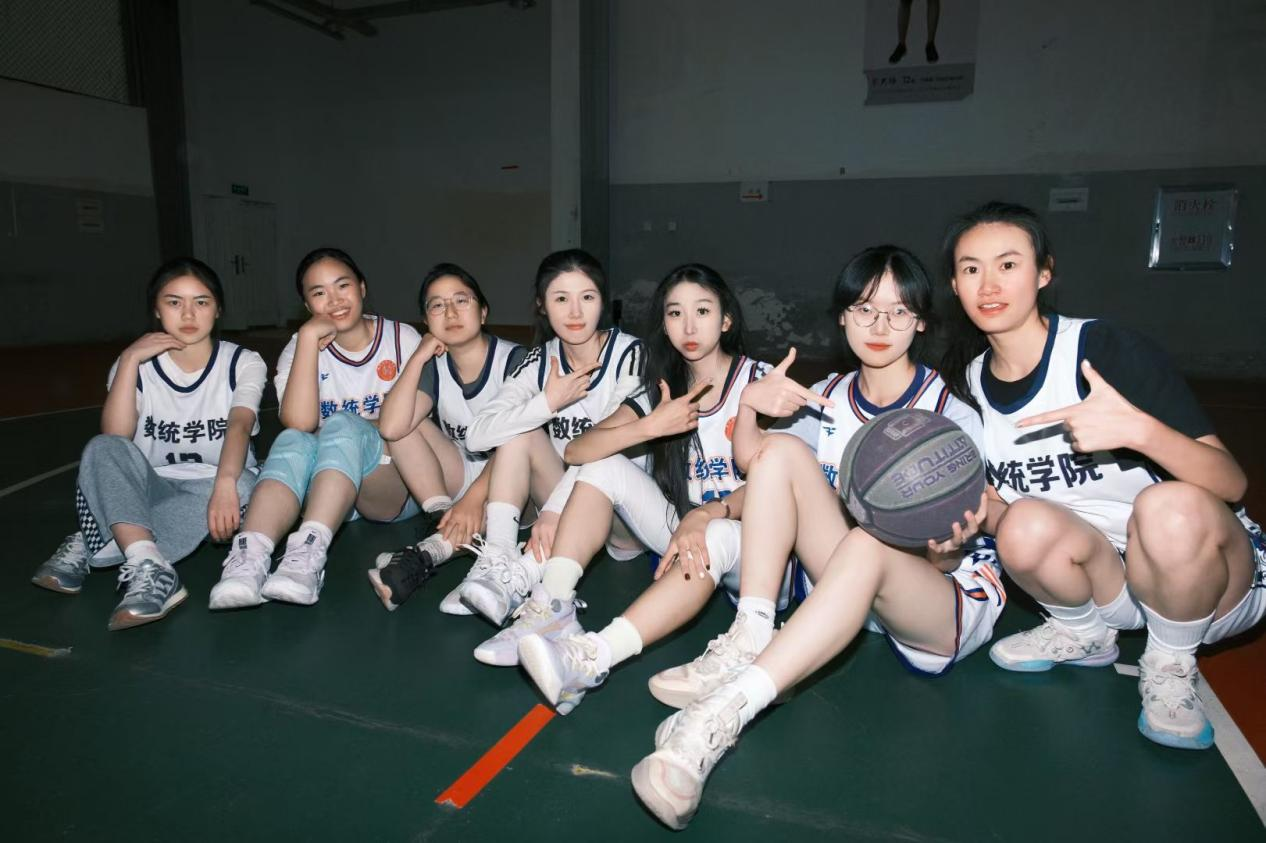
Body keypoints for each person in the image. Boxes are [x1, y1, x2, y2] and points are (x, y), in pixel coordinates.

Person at [630, 245, 1001, 830]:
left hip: (938, 598)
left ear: (921, 322)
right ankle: (753, 631)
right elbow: (758, 464)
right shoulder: (826, 395)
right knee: (782, 450)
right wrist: (749, 408)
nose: (879, 325)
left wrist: (945, 547)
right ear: (843, 317)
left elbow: (951, 559)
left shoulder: (950, 418)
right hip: (848, 586)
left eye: (898, 312)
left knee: (869, 543)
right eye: (864, 309)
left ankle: (718, 718)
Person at [946, 201, 1264, 750]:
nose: (989, 284)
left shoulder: (1103, 351)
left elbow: (1230, 484)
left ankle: (1169, 662)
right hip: (1104, 583)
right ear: (954, 285)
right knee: (1020, 522)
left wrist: (1141, 431)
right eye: (971, 268)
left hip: (1203, 579)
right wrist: (972, 516)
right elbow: (1001, 512)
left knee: (1169, 504)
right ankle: (1084, 634)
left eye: (1008, 264)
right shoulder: (969, 383)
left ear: (1044, 274)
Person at [510, 263, 775, 713]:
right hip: (686, 533)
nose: (688, 326)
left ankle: (594, 657)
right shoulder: (661, 389)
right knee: (603, 463)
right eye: (675, 313)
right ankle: (553, 609)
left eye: (702, 311)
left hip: (759, 549)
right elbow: (577, 450)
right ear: (664, 325)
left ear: (726, 319)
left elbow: (783, 483)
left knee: (716, 531)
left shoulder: (761, 383)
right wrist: (649, 426)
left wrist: (708, 512)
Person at [32, 258, 264, 629]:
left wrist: (224, 483)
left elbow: (240, 424)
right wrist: (129, 360)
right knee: (101, 447)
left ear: (218, 309)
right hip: (148, 486)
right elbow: (116, 437)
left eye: (201, 302)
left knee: (246, 485)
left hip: (216, 482)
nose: (188, 313)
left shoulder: (242, 362)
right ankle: (149, 564)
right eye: (174, 302)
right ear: (156, 310)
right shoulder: (135, 364)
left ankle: (99, 538)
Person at [452, 249, 645, 666]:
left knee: (600, 451)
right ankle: (499, 565)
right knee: (518, 431)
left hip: (623, 518)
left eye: (587, 297)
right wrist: (547, 403)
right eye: (561, 299)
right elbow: (478, 434)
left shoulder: (631, 354)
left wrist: (556, 509)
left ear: (603, 301)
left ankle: (526, 581)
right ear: (542, 305)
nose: (575, 312)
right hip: (561, 505)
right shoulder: (541, 361)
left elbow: (602, 448)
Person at [208, 247, 424, 609]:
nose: (334, 300)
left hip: (391, 486)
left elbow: (412, 424)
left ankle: (310, 552)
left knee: (342, 425)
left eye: (343, 286)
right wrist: (308, 340)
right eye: (319, 293)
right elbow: (299, 423)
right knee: (292, 438)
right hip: (330, 487)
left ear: (362, 287)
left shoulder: (403, 339)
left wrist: (349, 428)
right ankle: (249, 559)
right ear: (307, 305)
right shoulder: (300, 346)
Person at [368, 262, 525, 611]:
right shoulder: (435, 367)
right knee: (407, 422)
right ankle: (439, 518)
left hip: (518, 482)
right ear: (427, 321)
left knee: (512, 448)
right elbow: (391, 428)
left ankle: (426, 554)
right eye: (437, 305)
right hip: (463, 475)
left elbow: (519, 444)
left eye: (461, 300)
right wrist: (419, 356)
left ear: (483, 312)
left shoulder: (516, 361)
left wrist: (473, 499)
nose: (450, 312)